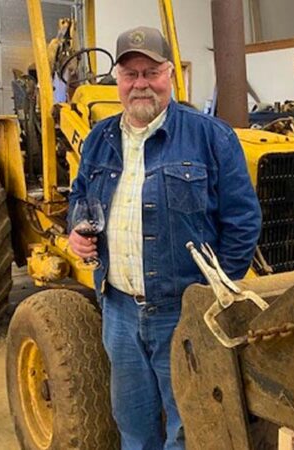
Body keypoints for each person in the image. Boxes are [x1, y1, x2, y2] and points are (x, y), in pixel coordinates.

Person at [68, 25, 261, 450]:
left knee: (187, 425)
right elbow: (81, 196)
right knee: (133, 425)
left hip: (183, 313)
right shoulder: (99, 140)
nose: (141, 84)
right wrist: (75, 234)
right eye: (130, 74)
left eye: (151, 72)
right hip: (118, 311)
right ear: (117, 79)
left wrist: (214, 295)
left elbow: (243, 221)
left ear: (170, 74)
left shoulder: (210, 136)